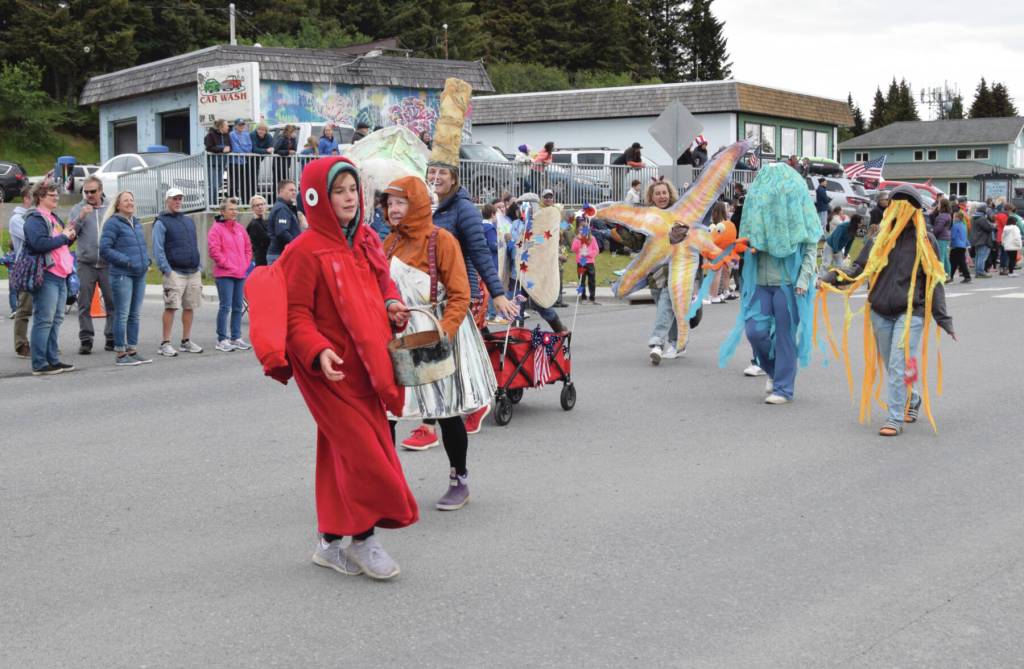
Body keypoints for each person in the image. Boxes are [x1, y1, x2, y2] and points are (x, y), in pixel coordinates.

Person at [252, 156, 417, 579]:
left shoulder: (364, 239)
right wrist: (317, 350)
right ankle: (364, 540)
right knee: (365, 453)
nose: (348, 198)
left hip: (369, 365)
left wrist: (392, 304)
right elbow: (295, 315)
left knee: (339, 451)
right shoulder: (303, 251)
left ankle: (329, 542)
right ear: (317, 198)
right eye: (338, 191)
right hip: (330, 371)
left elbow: (383, 283)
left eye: (352, 189)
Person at [383, 175, 496, 511]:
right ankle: (389, 485)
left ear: (417, 203)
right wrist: (388, 311)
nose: (394, 209)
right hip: (400, 337)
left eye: (400, 202)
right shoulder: (387, 243)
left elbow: (461, 295)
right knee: (388, 411)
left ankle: (459, 479)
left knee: (445, 412)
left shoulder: (442, 240)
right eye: (389, 203)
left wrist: (443, 332)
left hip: (438, 334)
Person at [820, 186, 956, 436]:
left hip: (911, 311)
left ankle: (894, 418)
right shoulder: (878, 238)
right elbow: (858, 268)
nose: (900, 208)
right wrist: (830, 277)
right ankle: (912, 397)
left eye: (906, 203)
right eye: (896, 202)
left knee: (898, 362)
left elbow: (935, 280)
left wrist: (943, 319)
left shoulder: (926, 241)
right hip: (880, 310)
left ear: (916, 210)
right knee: (892, 363)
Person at [719, 163, 820, 404]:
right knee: (755, 332)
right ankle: (775, 373)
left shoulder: (798, 218)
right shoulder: (757, 219)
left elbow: (810, 250)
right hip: (760, 284)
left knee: (785, 336)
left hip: (789, 285)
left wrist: (804, 280)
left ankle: (784, 388)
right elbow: (742, 244)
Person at [22, 182, 77, 375]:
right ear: (40, 197)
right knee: (44, 319)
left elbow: (60, 243)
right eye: (51, 195)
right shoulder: (34, 219)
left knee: (56, 319)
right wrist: (63, 237)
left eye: (56, 194)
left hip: (60, 274)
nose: (56, 197)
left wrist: (70, 236)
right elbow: (38, 244)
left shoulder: (53, 217)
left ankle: (52, 359)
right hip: (46, 274)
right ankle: (39, 363)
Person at [99, 191, 152, 366]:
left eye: (132, 199)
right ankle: (121, 353)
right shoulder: (113, 224)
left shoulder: (135, 222)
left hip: (139, 273)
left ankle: (132, 350)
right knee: (122, 314)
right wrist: (127, 262)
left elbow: (140, 246)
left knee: (134, 314)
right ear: (118, 205)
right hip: (122, 274)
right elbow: (105, 249)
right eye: (126, 200)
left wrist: (146, 260)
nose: (130, 203)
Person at [152, 188, 204, 357]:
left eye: (180, 199)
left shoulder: (188, 221)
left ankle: (186, 341)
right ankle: (165, 343)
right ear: (167, 200)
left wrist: (199, 267)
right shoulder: (161, 222)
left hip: (193, 271)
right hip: (174, 272)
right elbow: (158, 248)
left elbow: (194, 244)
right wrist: (166, 269)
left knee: (190, 307)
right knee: (171, 307)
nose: (178, 202)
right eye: (174, 199)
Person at [68, 176, 114, 355]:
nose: (89, 195)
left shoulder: (110, 207)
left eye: (93, 191)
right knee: (84, 304)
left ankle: (111, 337)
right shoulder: (77, 209)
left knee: (112, 302)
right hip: (86, 263)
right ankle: (86, 339)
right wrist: (81, 217)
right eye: (86, 192)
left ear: (101, 190)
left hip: (107, 264)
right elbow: (70, 234)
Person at [644, 179, 686, 364]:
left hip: (675, 267)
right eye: (657, 193)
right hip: (655, 270)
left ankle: (657, 343)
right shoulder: (647, 217)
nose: (662, 196)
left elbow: (685, 236)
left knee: (666, 303)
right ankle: (677, 343)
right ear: (651, 197)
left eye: (664, 192)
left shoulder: (678, 213)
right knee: (668, 308)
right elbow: (639, 242)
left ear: (670, 194)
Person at [208, 198, 253, 352]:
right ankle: (222, 339)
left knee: (237, 306)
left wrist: (244, 264)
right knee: (225, 306)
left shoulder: (240, 228)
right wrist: (229, 265)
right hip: (224, 274)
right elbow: (214, 251)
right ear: (222, 211)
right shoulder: (216, 229)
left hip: (240, 273)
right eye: (231, 209)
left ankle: (236, 337)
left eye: (236, 209)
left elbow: (248, 248)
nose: (235, 212)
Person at [9, 185, 33, 357]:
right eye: (36, 197)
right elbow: (33, 238)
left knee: (45, 308)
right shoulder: (17, 219)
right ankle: (21, 343)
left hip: (42, 266)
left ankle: (42, 342)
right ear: (26, 199)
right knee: (24, 307)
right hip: (25, 267)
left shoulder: (37, 217)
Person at [266, 179, 300, 264]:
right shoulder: (282, 208)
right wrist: (297, 244)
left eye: (295, 190)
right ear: (281, 191)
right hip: (279, 254)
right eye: (291, 190)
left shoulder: (284, 207)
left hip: (279, 254)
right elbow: (282, 232)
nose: (294, 192)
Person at [707, 201, 733, 303]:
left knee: (716, 273)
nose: (728, 210)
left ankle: (714, 294)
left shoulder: (712, 223)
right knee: (718, 273)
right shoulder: (724, 224)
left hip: (713, 250)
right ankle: (714, 295)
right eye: (726, 208)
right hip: (722, 251)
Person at [204, 119, 231, 206]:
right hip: (212, 163)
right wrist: (222, 149)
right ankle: (212, 204)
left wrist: (228, 149)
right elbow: (209, 147)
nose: (228, 127)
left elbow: (230, 147)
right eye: (226, 126)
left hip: (222, 163)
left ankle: (214, 204)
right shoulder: (211, 134)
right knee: (213, 185)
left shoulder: (227, 135)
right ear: (221, 127)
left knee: (218, 184)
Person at [571, 218, 599, 304]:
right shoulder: (577, 239)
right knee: (581, 281)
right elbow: (574, 249)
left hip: (590, 263)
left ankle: (592, 297)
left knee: (592, 281)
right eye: (580, 229)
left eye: (584, 229)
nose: (582, 231)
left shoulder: (592, 239)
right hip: (581, 263)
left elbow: (596, 250)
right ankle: (583, 297)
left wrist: (588, 253)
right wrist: (578, 240)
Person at [480, 203, 500, 320]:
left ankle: (485, 312)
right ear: (492, 214)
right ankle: (492, 313)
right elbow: (494, 245)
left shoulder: (480, 226)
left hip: (482, 260)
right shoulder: (490, 228)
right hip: (492, 260)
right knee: (492, 287)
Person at [228, 119, 254, 201]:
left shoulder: (246, 134)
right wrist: (244, 149)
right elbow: (235, 148)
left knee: (244, 183)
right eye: (239, 125)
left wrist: (243, 148)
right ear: (235, 126)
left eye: (243, 124)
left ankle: (245, 202)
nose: (241, 126)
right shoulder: (232, 134)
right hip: (234, 162)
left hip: (244, 162)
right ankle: (232, 202)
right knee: (234, 183)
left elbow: (250, 147)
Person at [970, 204, 995, 278]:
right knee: (982, 257)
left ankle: (978, 272)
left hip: (977, 239)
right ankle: (980, 272)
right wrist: (993, 226)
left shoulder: (974, 218)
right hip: (983, 240)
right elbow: (988, 228)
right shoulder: (982, 218)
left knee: (978, 256)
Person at [931, 197, 953, 277]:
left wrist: (933, 233)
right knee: (946, 257)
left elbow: (938, 228)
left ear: (942, 205)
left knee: (941, 257)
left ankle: (942, 275)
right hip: (945, 238)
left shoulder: (942, 216)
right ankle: (948, 275)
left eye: (939, 204)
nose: (938, 205)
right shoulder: (947, 215)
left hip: (941, 238)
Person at [247, 195, 271, 267]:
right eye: (257, 205)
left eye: (262, 204)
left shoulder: (266, 221)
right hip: (260, 260)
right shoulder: (254, 224)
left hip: (266, 257)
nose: (260, 207)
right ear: (252, 208)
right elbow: (267, 239)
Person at [272, 124, 298, 189]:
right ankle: (277, 197)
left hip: (286, 164)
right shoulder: (281, 138)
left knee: (285, 182)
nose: (295, 133)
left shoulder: (292, 139)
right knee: (278, 182)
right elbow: (275, 150)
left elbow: (294, 149)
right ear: (289, 132)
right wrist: (288, 152)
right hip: (278, 164)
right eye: (293, 132)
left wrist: (293, 140)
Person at [949, 210, 971, 283]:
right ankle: (966, 276)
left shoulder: (955, 225)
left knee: (953, 261)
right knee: (959, 262)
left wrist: (950, 245)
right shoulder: (963, 225)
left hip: (956, 245)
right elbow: (965, 236)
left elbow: (953, 236)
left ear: (957, 217)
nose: (953, 218)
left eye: (954, 217)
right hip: (963, 246)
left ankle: (951, 276)